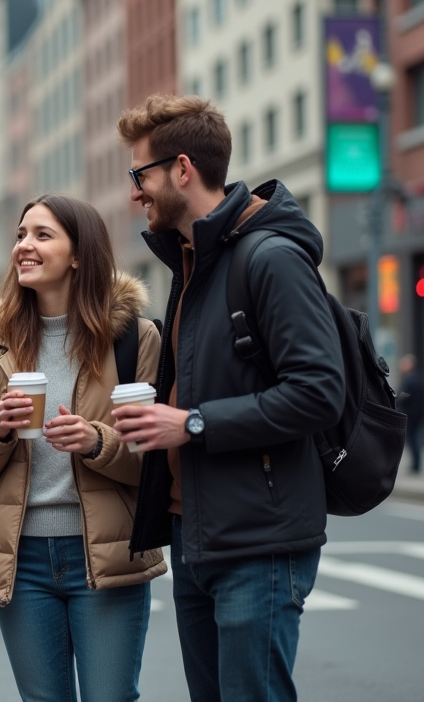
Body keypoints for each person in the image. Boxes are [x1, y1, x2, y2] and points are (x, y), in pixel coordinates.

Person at [114, 95, 345, 702]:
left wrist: (191, 424)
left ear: (182, 169)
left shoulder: (270, 258)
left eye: (140, 174)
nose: (134, 192)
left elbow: (319, 392)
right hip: (198, 534)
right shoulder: (193, 262)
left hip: (258, 541)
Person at [0, 194, 166, 702]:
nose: (23, 246)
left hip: (107, 554)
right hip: (21, 558)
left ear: (78, 254)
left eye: (42, 235)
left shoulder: (135, 339)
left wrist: (97, 442)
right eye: (20, 235)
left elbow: (158, 463)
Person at [397, 354, 424, 474]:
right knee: (416, 438)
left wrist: (397, 402)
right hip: (417, 414)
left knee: (413, 439)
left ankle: (416, 464)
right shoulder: (418, 378)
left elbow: (403, 396)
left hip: (410, 414)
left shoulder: (410, 380)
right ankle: (416, 463)